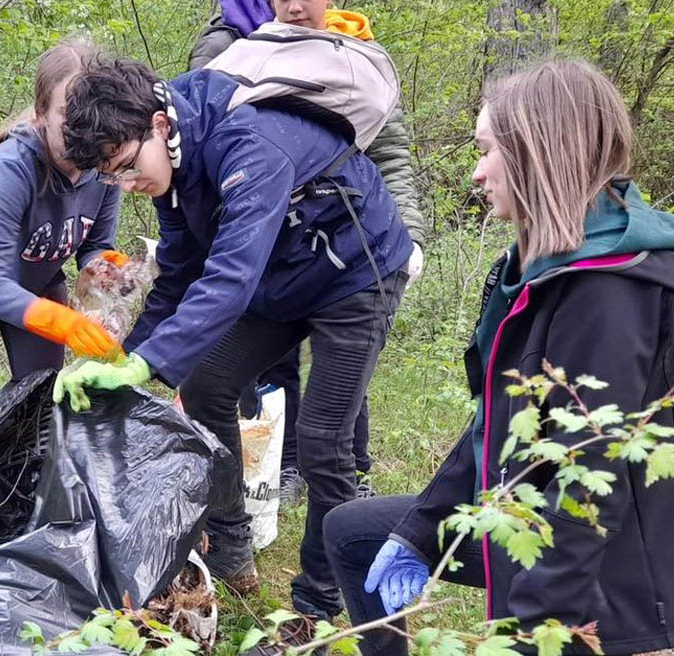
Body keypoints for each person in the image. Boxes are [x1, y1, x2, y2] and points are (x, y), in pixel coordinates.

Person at [323, 59, 674, 655]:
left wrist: (529, 631)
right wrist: (422, 530)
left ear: (539, 152)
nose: (478, 173)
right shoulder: (536, 269)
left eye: (487, 151)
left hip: (611, 567)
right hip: (524, 508)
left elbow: (588, 487)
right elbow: (498, 424)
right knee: (354, 533)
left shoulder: (606, 292)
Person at [53, 55, 414, 632]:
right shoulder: (172, 168)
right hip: (282, 276)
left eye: (125, 166)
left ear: (159, 124)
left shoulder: (249, 142)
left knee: (323, 441)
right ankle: (230, 545)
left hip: (355, 272)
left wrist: (148, 363)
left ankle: (319, 608)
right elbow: (176, 275)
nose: (126, 185)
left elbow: (229, 276)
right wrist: (119, 359)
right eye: (112, 178)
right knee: (206, 387)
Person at [190, 0, 429, 506]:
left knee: (342, 375)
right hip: (279, 243)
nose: (294, 7)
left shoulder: (357, 60)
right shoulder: (256, 53)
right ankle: (290, 468)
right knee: (271, 364)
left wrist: (411, 234)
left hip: (352, 233)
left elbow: (391, 156)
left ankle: (350, 473)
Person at [0, 38, 125, 408]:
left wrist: (104, 272)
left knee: (42, 398)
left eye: (92, 113)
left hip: (36, 278)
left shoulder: (104, 166)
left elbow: (96, 242)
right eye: (68, 113)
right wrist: (62, 322)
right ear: (42, 112)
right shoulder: (11, 167)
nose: (83, 129)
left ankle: (24, 467)